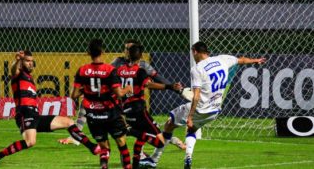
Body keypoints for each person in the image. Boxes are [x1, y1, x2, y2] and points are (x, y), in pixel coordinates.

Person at [142, 41, 266, 169]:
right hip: (214, 110)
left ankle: (154, 160)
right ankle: (188, 156)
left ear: (195, 52)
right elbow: (242, 60)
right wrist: (255, 60)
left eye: (192, 53)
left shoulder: (197, 69)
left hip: (199, 108)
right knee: (192, 129)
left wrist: (190, 116)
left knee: (169, 124)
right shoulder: (223, 59)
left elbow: (196, 96)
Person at [59, 39, 185, 151]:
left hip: (131, 105)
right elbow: (106, 75)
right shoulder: (118, 62)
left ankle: (168, 142)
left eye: (129, 48)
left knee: (141, 132)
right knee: (88, 104)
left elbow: (156, 78)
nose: (126, 51)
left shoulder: (142, 65)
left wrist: (172, 87)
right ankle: (78, 138)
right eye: (126, 48)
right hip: (120, 103)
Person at [0, 50, 99, 167]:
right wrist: (18, 60)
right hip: (24, 113)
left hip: (35, 115)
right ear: (21, 62)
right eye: (27, 61)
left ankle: (92, 147)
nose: (30, 63)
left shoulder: (29, 77)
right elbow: (13, 69)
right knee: (30, 142)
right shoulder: (18, 75)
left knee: (68, 122)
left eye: (31, 61)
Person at [117, 44, 182, 169]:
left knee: (141, 139)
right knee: (160, 142)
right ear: (141, 56)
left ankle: (135, 165)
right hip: (139, 110)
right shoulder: (139, 71)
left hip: (126, 110)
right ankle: (130, 131)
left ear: (128, 55)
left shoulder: (119, 70)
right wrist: (169, 86)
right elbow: (149, 84)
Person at [71, 39, 133, 169]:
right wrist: (128, 88)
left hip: (93, 115)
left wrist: (86, 89)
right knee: (122, 145)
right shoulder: (110, 70)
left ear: (88, 53)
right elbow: (119, 94)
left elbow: (74, 95)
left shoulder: (82, 70)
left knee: (104, 148)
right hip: (110, 113)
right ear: (103, 51)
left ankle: (104, 166)